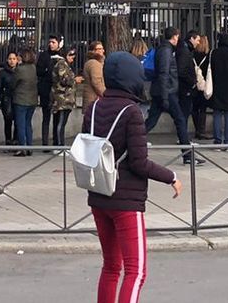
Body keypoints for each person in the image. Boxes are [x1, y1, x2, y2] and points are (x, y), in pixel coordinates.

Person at [85, 50, 181, 303]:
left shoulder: (94, 108)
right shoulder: (132, 112)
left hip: (99, 194)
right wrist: (171, 176)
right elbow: (139, 162)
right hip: (126, 200)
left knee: (110, 267)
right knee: (135, 271)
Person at [146, 28, 197, 163]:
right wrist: (164, 96)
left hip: (162, 90)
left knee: (151, 121)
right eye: (177, 37)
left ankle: (129, 141)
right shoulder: (166, 51)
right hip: (167, 91)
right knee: (180, 120)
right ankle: (187, 155)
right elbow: (164, 73)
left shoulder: (164, 49)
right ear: (174, 37)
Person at [11, 49, 40, 156]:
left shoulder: (19, 69)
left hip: (21, 100)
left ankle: (22, 147)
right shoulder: (33, 68)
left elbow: (13, 83)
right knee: (28, 123)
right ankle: (29, 146)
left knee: (20, 124)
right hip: (32, 100)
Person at [50, 48, 80, 148]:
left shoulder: (64, 64)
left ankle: (58, 144)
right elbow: (64, 80)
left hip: (64, 98)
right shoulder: (61, 64)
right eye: (70, 55)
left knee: (60, 122)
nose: (73, 57)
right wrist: (75, 79)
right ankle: (59, 146)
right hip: (62, 99)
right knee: (60, 123)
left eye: (74, 55)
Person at [37, 36, 62, 148]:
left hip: (58, 92)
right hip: (46, 91)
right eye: (50, 42)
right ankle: (45, 143)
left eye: (53, 42)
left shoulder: (61, 56)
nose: (51, 44)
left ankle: (56, 142)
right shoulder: (44, 56)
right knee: (46, 118)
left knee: (57, 119)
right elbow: (39, 71)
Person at [0, 52, 20, 151]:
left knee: (18, 121)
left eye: (14, 59)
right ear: (7, 60)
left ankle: (16, 141)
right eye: (10, 59)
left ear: (17, 60)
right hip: (7, 99)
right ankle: (8, 141)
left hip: (18, 99)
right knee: (8, 121)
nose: (12, 61)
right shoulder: (3, 73)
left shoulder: (20, 71)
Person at [189, 33, 212, 140]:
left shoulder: (192, 55)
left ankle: (197, 129)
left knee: (194, 108)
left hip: (194, 84)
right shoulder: (207, 56)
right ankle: (201, 130)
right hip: (203, 85)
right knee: (202, 109)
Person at [81, 40, 107, 107]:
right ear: (93, 51)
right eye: (99, 49)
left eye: (102, 48)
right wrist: (105, 94)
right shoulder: (94, 63)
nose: (101, 51)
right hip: (94, 99)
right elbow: (96, 82)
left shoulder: (94, 62)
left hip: (93, 99)